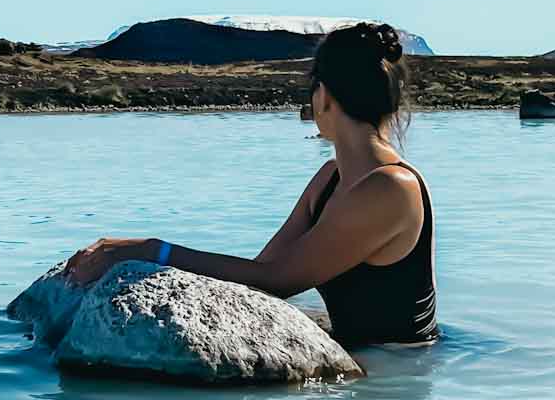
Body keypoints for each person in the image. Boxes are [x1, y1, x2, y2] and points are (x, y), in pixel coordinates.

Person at [63, 21, 438, 349]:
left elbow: (277, 280)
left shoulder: (391, 187)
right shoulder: (329, 178)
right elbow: (262, 271)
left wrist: (149, 250)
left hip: (400, 374)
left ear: (322, 96)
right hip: (359, 370)